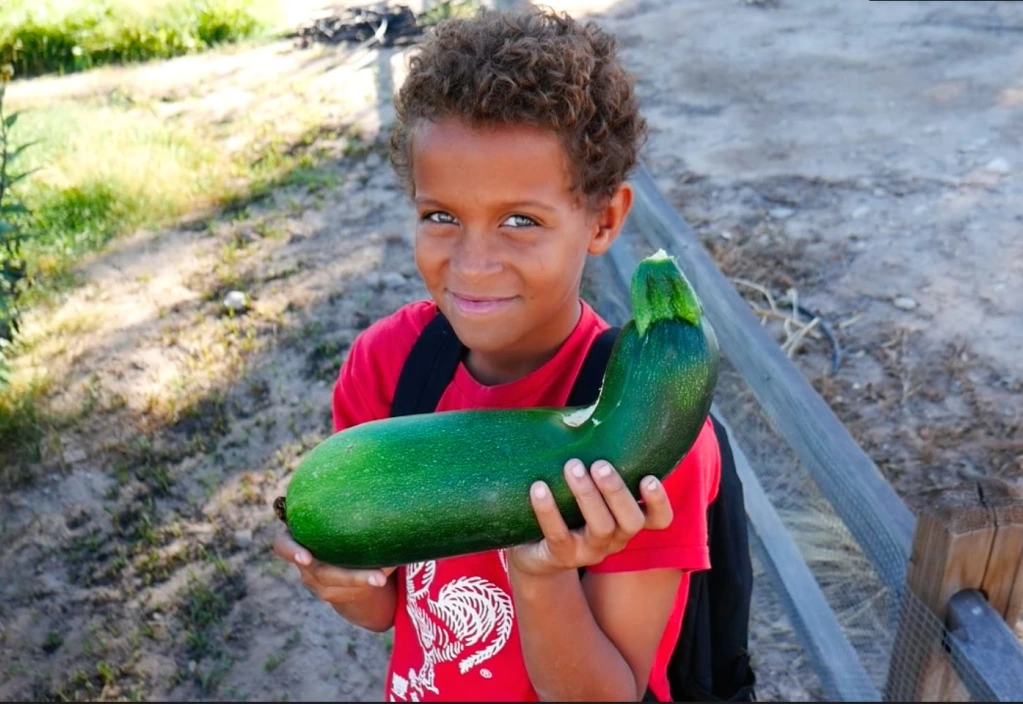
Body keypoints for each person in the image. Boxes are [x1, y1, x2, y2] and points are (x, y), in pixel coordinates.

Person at [273, 7, 724, 701]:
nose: (474, 263)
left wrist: (543, 577)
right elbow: (385, 608)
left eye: (521, 221)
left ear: (603, 219)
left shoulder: (653, 437)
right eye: (441, 217)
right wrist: (342, 582)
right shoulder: (388, 366)